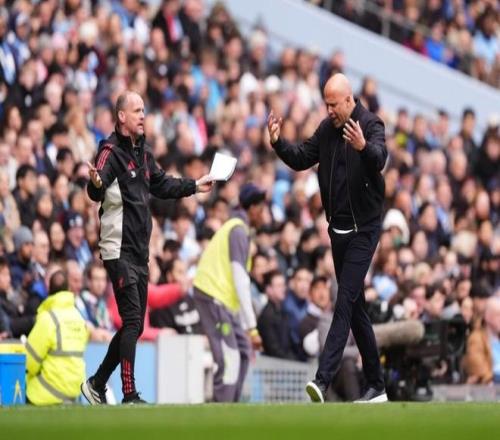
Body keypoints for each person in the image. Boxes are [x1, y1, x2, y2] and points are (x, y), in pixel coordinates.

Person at [81, 90, 213, 405]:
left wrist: (195, 185)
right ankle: (129, 393)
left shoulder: (143, 152)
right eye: (137, 110)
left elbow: (162, 183)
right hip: (118, 248)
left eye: (143, 110)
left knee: (136, 325)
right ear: (121, 116)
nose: (143, 115)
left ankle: (97, 383)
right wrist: (95, 184)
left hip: (140, 251)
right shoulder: (110, 151)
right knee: (131, 321)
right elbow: (96, 188)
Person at [268, 73, 388, 403]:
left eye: (334, 104)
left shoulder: (370, 124)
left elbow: (379, 158)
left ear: (349, 100)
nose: (330, 110)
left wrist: (363, 147)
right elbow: (301, 158)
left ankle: (321, 380)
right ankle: (377, 385)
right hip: (338, 230)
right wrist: (278, 143)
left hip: (364, 229)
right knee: (357, 308)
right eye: (326, 104)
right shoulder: (327, 129)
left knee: (344, 301)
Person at [193, 182, 265, 402]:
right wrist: (251, 327)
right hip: (212, 296)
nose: (264, 213)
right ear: (252, 208)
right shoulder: (238, 231)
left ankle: (231, 407)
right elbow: (240, 279)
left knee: (242, 352)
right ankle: (221, 411)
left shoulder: (237, 229)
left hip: (221, 300)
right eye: (261, 207)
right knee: (229, 357)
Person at [25, 270, 88, 405]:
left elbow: (29, 363)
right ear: (68, 289)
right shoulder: (79, 318)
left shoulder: (48, 318)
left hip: (48, 390)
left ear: (49, 289)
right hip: (75, 390)